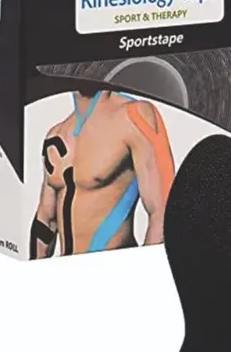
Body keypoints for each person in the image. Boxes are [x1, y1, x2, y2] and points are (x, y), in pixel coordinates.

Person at [30, 89, 175, 257]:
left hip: (115, 268)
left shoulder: (134, 115)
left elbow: (164, 211)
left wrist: (142, 269)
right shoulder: (56, 135)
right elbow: (46, 220)